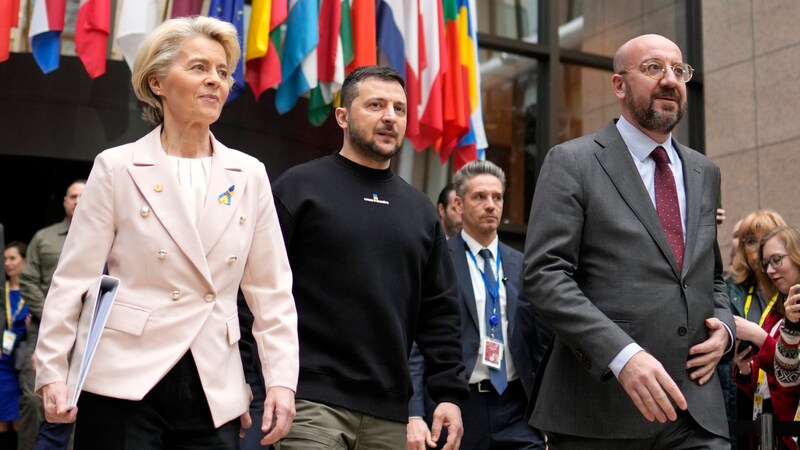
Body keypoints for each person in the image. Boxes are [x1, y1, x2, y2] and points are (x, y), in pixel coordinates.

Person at [32, 16, 298, 449]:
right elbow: (74, 279)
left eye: (223, 72)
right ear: (157, 82)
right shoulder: (116, 167)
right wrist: (52, 371)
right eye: (199, 68)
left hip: (214, 383)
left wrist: (282, 382)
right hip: (123, 379)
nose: (215, 81)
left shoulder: (250, 175)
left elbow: (271, 291)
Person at [523, 34, 735, 448]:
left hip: (696, 413)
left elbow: (709, 278)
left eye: (679, 70)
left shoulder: (704, 171)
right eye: (653, 68)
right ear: (619, 85)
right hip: (600, 412)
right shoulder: (573, 162)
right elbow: (545, 276)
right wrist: (622, 355)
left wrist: (725, 330)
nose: (670, 80)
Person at [271, 65, 469, 450]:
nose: (390, 117)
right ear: (342, 116)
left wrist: (448, 394)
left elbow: (440, 313)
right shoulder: (299, 187)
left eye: (399, 108)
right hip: (310, 402)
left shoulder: (421, 209)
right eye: (376, 105)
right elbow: (259, 290)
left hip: (390, 415)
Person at [408, 160, 551, 449]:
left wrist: (548, 417)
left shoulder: (522, 265)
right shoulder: (439, 260)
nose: (490, 205)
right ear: (458, 205)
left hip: (516, 408)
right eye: (480, 197)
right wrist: (413, 413)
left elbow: (540, 346)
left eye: (497, 197)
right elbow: (417, 345)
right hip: (456, 407)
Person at [18, 179, 85, 450]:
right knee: (36, 402)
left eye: (84, 195)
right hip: (42, 330)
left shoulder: (112, 237)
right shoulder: (44, 238)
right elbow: (27, 280)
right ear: (65, 202)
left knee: (78, 406)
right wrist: (54, 314)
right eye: (73, 196)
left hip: (90, 334)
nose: (78, 201)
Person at [721, 210, 786, 448]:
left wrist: (759, 337)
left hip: (785, 409)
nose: (758, 248)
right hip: (742, 403)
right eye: (750, 240)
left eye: (766, 238)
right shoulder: (727, 291)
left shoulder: (789, 294)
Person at [735, 226, 800, 449]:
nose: (770, 270)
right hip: (768, 424)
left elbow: (791, 376)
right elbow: (770, 377)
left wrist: (760, 337)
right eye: (765, 263)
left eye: (777, 259)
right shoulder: (776, 306)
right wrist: (745, 368)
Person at [1, 241, 28, 448]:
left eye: (12, 258)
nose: (7, 263)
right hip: (2, 361)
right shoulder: (2, 291)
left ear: (24, 261)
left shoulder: (31, 290)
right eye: (5, 259)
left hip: (22, 359)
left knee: (20, 418)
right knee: (1, 419)